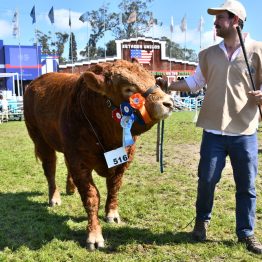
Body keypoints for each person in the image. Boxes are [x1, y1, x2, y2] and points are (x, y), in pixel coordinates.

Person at [168, 0, 262, 254]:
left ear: (235, 21)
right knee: (206, 180)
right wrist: (168, 86)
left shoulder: (258, 51)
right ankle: (201, 223)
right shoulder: (208, 54)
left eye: (220, 18)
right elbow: (195, 82)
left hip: (245, 133)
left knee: (247, 186)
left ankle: (246, 233)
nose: (215, 23)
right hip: (213, 132)